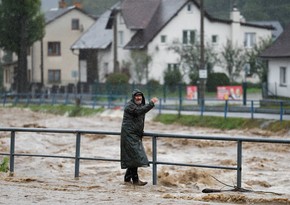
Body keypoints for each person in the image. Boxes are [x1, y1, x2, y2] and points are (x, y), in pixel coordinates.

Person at [120, 89, 158, 186]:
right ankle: (136, 181)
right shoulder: (130, 106)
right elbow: (138, 112)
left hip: (135, 135)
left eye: (140, 96)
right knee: (136, 157)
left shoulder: (140, 105)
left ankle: (127, 179)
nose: (138, 97)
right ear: (133, 97)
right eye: (136, 96)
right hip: (129, 135)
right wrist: (151, 103)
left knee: (133, 157)